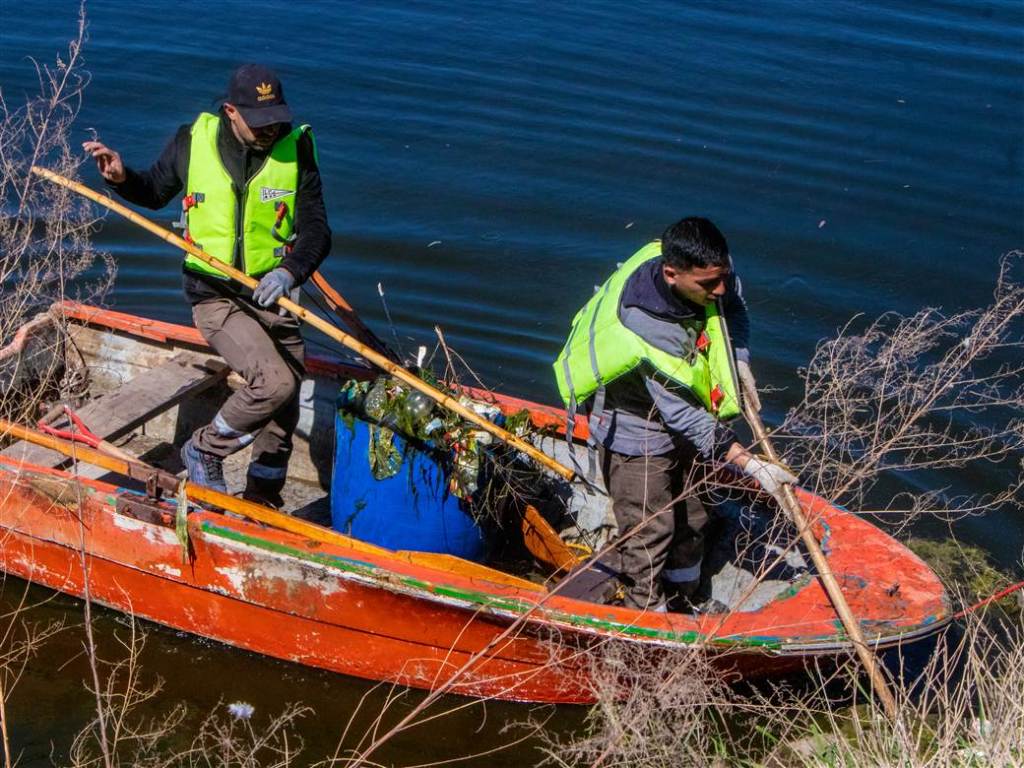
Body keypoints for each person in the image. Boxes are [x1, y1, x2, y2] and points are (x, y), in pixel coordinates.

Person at [83, 64, 332, 508]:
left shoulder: (298, 149)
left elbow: (316, 229)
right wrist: (122, 178)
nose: (271, 128)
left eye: (276, 116)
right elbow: (156, 192)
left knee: (286, 400)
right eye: (259, 121)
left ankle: (261, 497)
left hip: (273, 293)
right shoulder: (192, 141)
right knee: (273, 384)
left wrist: (289, 272)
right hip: (214, 294)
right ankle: (204, 449)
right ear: (230, 111)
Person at [553, 217, 794, 612]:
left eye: (723, 278)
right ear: (671, 274)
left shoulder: (714, 273)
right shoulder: (647, 327)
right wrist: (752, 465)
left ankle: (685, 596)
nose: (719, 291)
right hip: (637, 428)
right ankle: (644, 613)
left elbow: (734, 312)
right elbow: (685, 419)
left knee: (696, 513)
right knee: (651, 529)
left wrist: (740, 360)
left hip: (686, 406)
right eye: (707, 285)